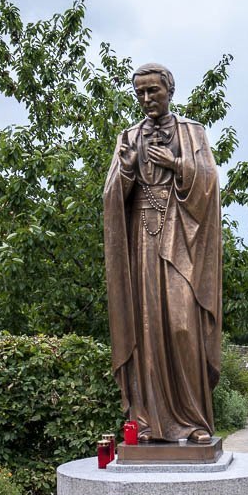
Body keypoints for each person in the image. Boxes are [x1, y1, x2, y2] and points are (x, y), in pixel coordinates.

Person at [103, 63, 222, 444]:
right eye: (139, 92)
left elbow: (209, 183)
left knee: (182, 326)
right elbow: (111, 197)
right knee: (148, 326)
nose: (146, 98)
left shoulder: (192, 132)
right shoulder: (128, 136)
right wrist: (125, 170)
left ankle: (194, 421)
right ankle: (149, 421)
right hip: (142, 238)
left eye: (152, 90)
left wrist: (176, 164)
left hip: (181, 235)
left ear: (169, 90)